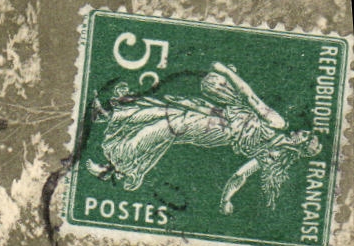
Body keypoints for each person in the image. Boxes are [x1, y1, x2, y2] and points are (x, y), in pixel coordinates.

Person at [86, 61, 321, 212]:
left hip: (217, 129)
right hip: (219, 115)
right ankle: (110, 113)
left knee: (168, 124)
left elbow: (251, 99)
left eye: (306, 136)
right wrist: (226, 200)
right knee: (170, 108)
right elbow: (241, 175)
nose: (303, 131)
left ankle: (115, 164)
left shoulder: (276, 133)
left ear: (301, 145)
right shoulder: (275, 144)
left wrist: (226, 71)